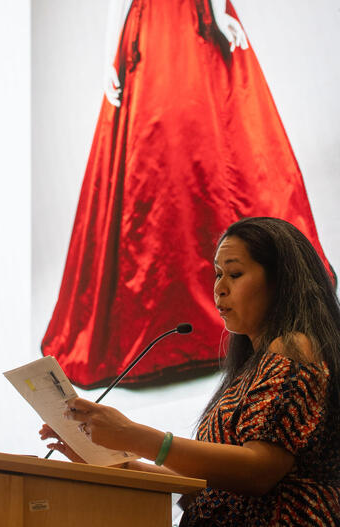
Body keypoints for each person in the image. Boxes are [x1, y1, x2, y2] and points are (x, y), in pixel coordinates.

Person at [41, 0, 331, 388]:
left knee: (218, 146)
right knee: (163, 161)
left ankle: (254, 294)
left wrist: (216, 11)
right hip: (161, 21)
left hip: (191, 14)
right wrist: (106, 58)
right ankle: (180, 320)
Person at [41, 217, 340, 525]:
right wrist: (113, 462)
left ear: (281, 280)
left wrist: (133, 435)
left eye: (235, 274)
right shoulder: (250, 369)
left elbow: (258, 472)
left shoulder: (294, 347)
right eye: (218, 274)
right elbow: (209, 486)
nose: (220, 288)